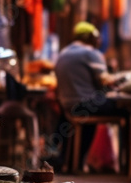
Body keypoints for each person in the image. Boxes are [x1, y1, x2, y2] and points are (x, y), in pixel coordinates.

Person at [53, 21, 125, 169]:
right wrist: (123, 77)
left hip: (67, 105)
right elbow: (105, 81)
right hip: (87, 104)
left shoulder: (63, 53)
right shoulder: (91, 53)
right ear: (92, 38)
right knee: (128, 111)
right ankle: (127, 164)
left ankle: (74, 163)